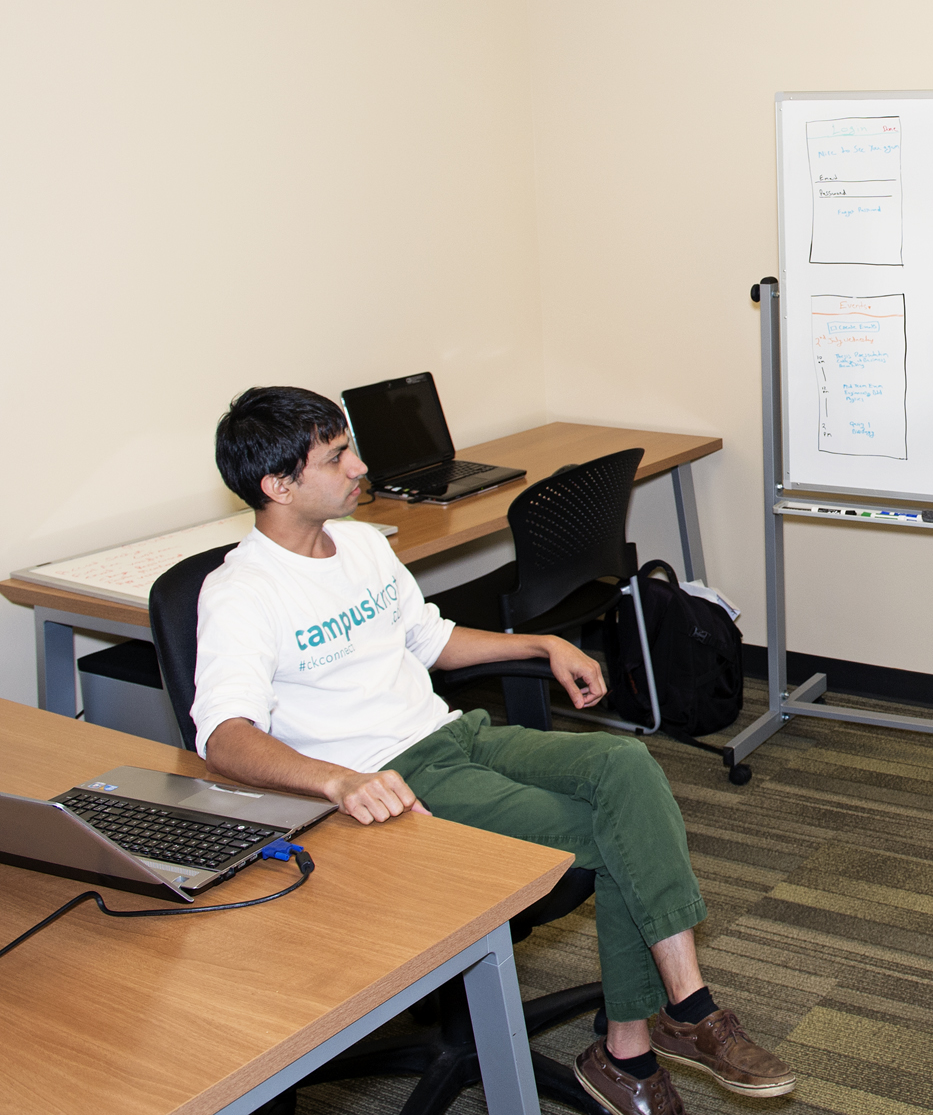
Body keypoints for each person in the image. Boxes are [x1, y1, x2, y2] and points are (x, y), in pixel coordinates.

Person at [192, 386, 790, 1115]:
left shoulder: (358, 544)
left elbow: (432, 641)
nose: (360, 466)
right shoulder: (242, 593)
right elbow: (224, 737)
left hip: (455, 734)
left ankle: (652, 1034)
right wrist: (338, 783)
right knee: (617, 838)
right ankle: (661, 1030)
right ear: (277, 485)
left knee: (627, 765)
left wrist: (541, 642)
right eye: (338, 455)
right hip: (391, 784)